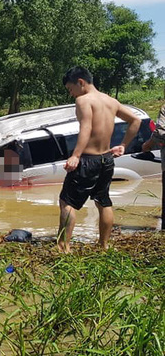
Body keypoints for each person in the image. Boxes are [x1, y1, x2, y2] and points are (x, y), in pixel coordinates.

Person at [58, 66, 141, 253]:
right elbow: (135, 121)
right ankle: (103, 246)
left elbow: (85, 128)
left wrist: (75, 155)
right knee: (103, 201)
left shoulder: (83, 101)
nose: (71, 94)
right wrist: (124, 145)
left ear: (80, 82)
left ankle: (63, 247)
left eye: (70, 89)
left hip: (87, 160)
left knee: (67, 202)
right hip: (106, 159)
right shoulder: (111, 101)